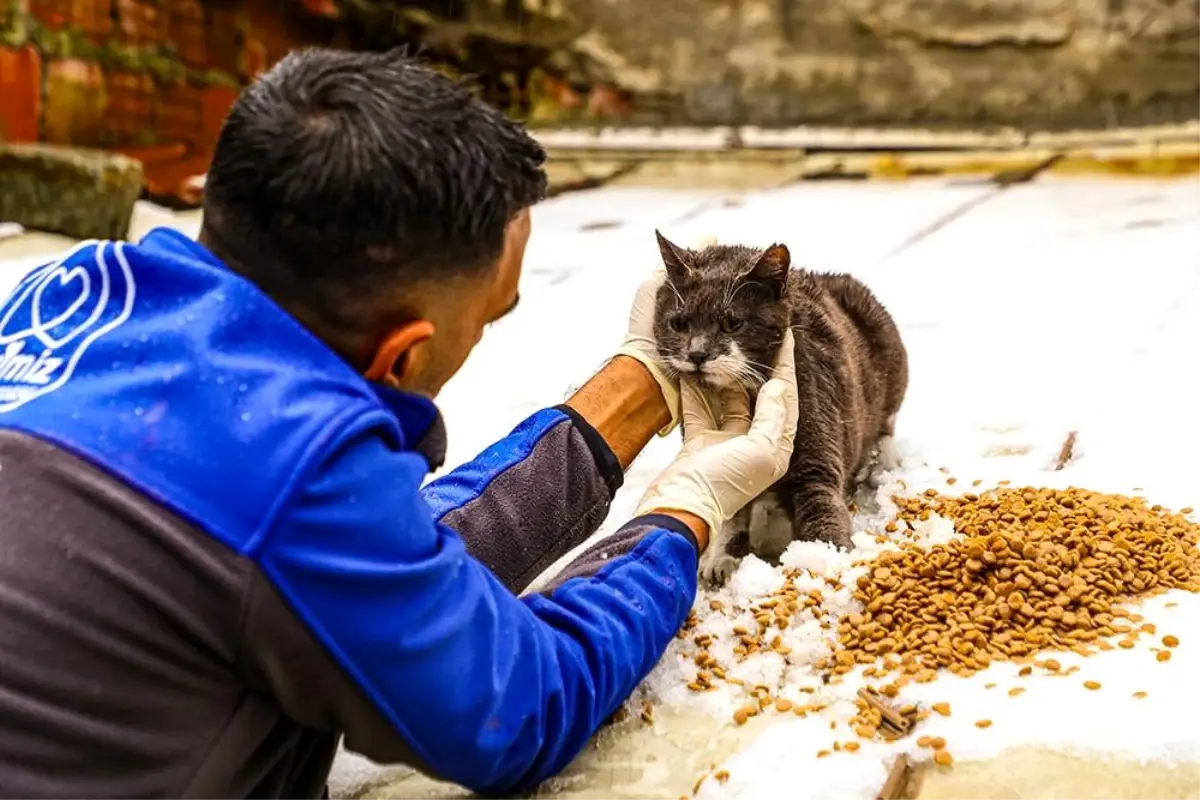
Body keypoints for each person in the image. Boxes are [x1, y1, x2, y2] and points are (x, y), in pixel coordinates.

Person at [0, 48, 798, 799]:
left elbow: (356, 562)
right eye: (490, 315)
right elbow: (521, 705)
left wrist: (630, 393)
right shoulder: (292, 471)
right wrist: (685, 507)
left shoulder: (72, 300)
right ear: (400, 356)